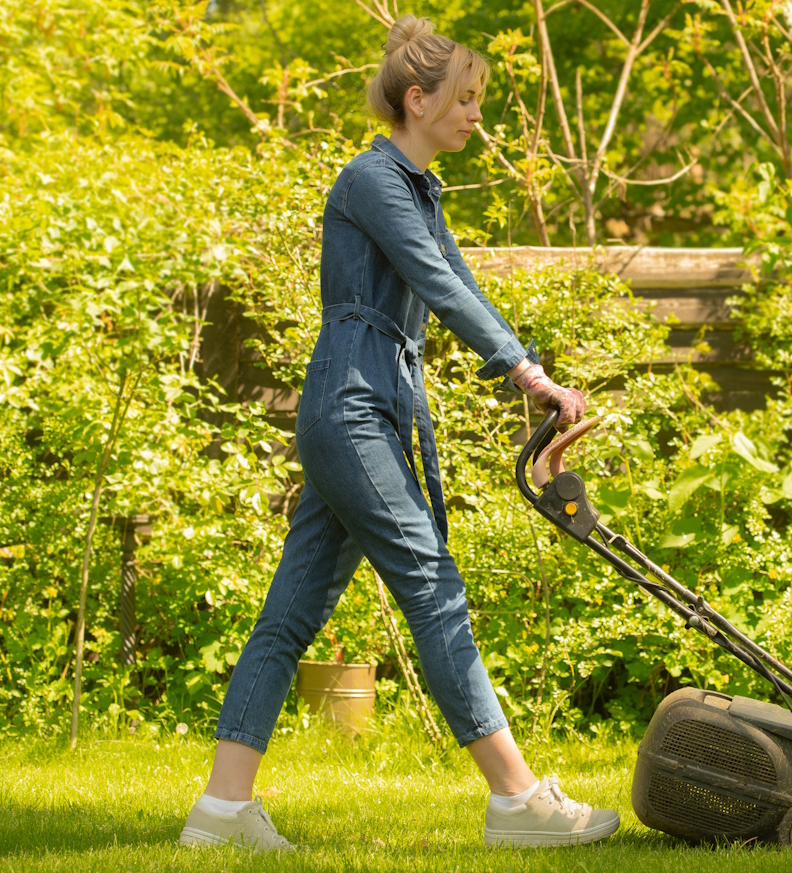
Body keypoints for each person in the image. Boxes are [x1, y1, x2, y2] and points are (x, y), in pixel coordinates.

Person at [178, 14, 618, 851]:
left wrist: (526, 363)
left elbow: (459, 279)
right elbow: (435, 286)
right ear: (419, 100)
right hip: (351, 407)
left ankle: (221, 810)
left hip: (362, 408)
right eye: (467, 99)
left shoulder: (417, 187)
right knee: (432, 584)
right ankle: (517, 800)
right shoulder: (372, 180)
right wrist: (528, 375)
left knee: (290, 613)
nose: (476, 115)